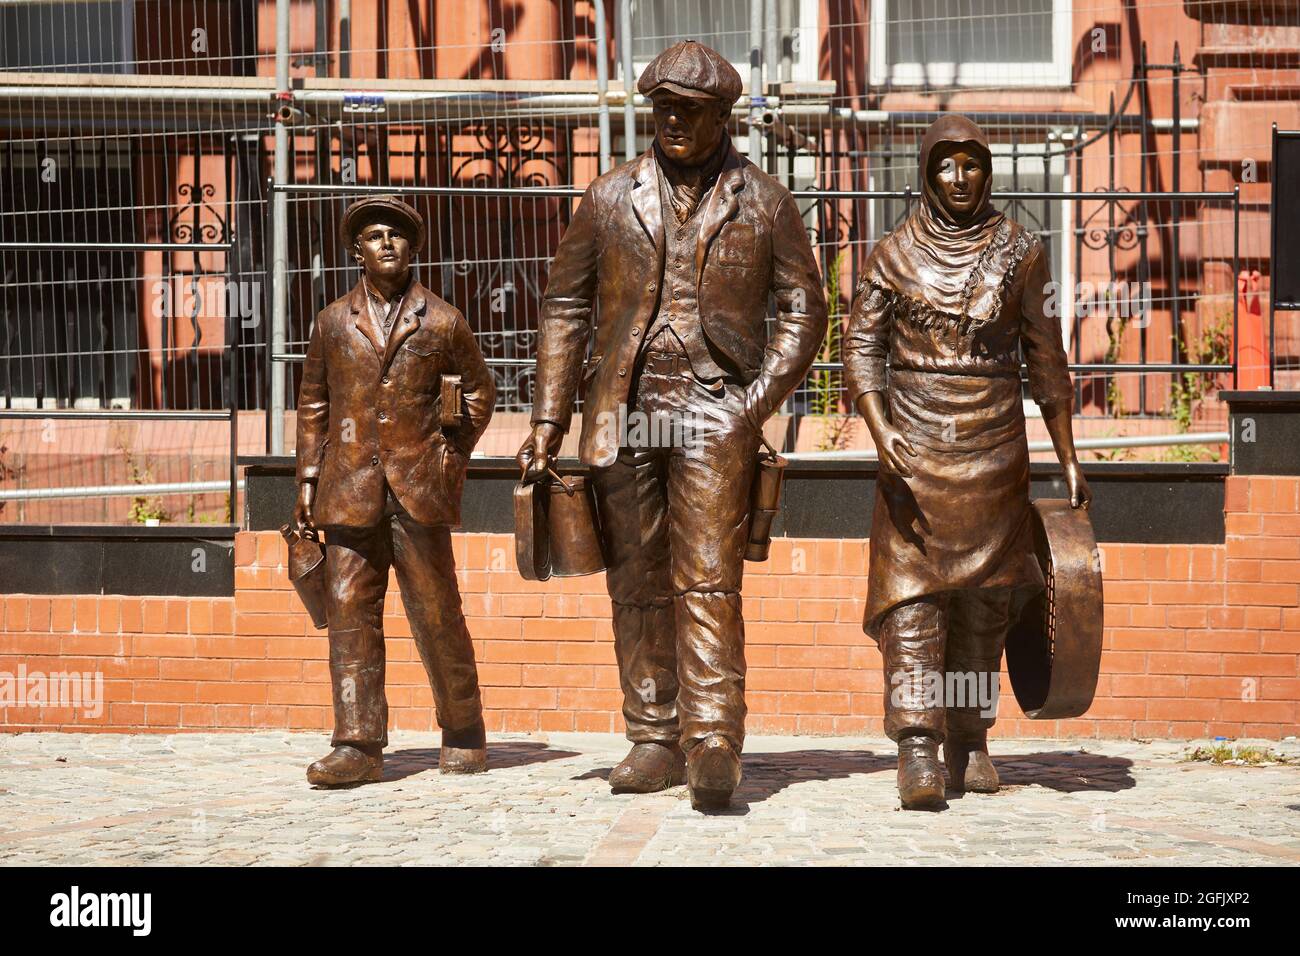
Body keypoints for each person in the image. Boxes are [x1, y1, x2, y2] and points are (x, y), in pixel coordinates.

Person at [518, 40, 827, 810]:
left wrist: (754, 403)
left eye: (689, 111)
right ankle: (653, 733)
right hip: (622, 408)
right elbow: (564, 306)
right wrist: (549, 420)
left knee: (709, 576)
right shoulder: (608, 195)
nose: (674, 123)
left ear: (723, 115)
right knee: (636, 577)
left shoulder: (765, 199)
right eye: (662, 109)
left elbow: (805, 307)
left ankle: (715, 736)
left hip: (716, 411)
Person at [843, 115, 1091, 810]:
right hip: (915, 448)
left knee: (987, 602)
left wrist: (1068, 453)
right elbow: (860, 348)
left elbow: (1046, 356)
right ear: (925, 172)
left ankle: (970, 738)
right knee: (915, 601)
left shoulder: (1020, 250)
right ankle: (918, 747)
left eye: (972, 164)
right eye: (945, 165)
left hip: (994, 446)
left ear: (989, 170)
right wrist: (880, 423)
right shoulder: (892, 254)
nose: (959, 178)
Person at [294, 195, 496, 787]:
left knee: (437, 613)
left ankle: (463, 727)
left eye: (398, 236)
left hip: (418, 490)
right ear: (356, 249)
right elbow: (314, 404)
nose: (387, 243)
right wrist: (306, 482)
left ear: (414, 249)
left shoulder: (443, 320)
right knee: (350, 614)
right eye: (374, 235)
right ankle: (356, 742)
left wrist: (448, 459)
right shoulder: (332, 321)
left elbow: (479, 394)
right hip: (348, 487)